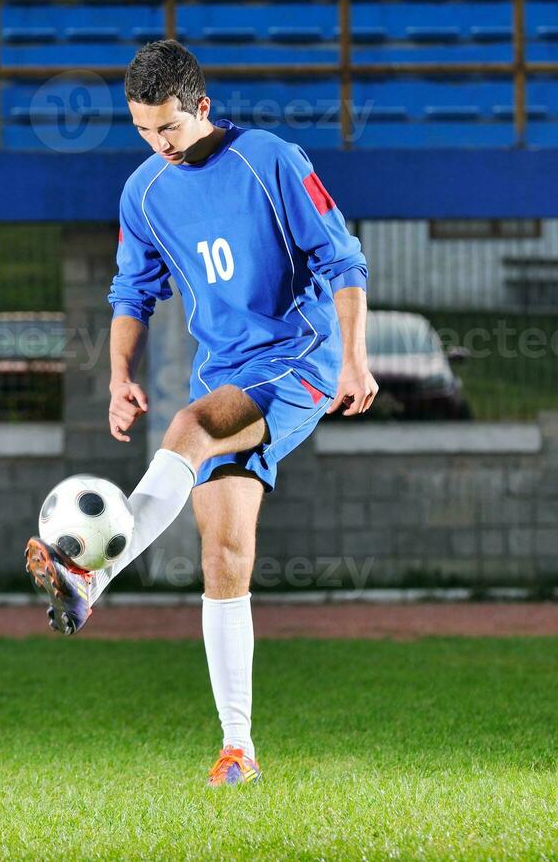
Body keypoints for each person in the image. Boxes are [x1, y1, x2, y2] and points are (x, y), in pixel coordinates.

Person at [24, 39, 377, 786]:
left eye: (170, 130)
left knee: (187, 426)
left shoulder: (272, 160)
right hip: (227, 373)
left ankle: (89, 578)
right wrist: (119, 375)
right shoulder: (144, 191)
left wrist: (353, 357)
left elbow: (342, 261)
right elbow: (130, 292)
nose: (159, 144)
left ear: (202, 107)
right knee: (224, 559)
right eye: (143, 130)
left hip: (297, 359)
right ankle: (238, 750)